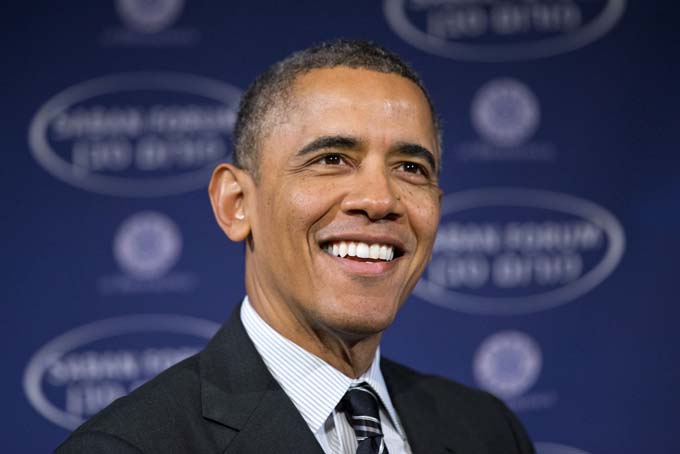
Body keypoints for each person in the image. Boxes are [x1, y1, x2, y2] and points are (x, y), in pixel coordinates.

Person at [57, 40, 534, 454]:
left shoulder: (487, 431)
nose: (380, 200)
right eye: (332, 159)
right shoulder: (128, 449)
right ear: (237, 203)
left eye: (411, 168)